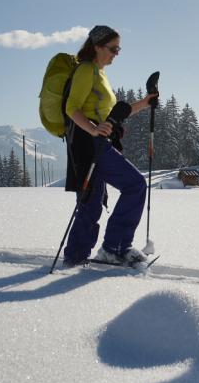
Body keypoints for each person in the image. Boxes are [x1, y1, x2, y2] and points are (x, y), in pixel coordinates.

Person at [63, 25, 156, 267]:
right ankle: (114, 248)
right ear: (96, 46)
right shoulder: (85, 70)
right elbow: (71, 108)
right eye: (113, 48)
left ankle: (75, 257)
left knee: (91, 204)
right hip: (90, 144)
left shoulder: (99, 74)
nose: (116, 53)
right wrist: (93, 129)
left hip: (98, 142)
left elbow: (111, 115)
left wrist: (144, 104)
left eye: (119, 49)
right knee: (135, 184)